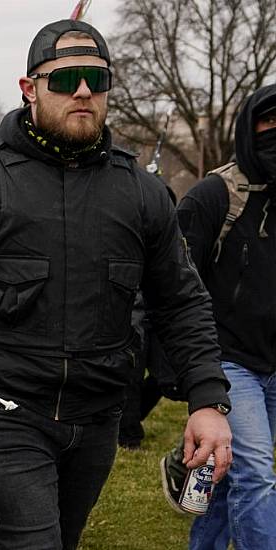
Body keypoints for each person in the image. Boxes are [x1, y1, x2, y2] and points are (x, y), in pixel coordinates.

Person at [0, 19, 233, 550]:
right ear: (29, 88)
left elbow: (182, 302)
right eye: (65, 80)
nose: (84, 91)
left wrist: (207, 399)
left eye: (97, 78)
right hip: (4, 410)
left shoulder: (143, 192)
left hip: (99, 415)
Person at [159, 83, 276, 550]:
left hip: (274, 362)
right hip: (228, 363)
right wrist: (175, 369)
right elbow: (173, 285)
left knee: (230, 472)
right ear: (249, 127)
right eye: (268, 121)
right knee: (259, 477)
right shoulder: (212, 197)